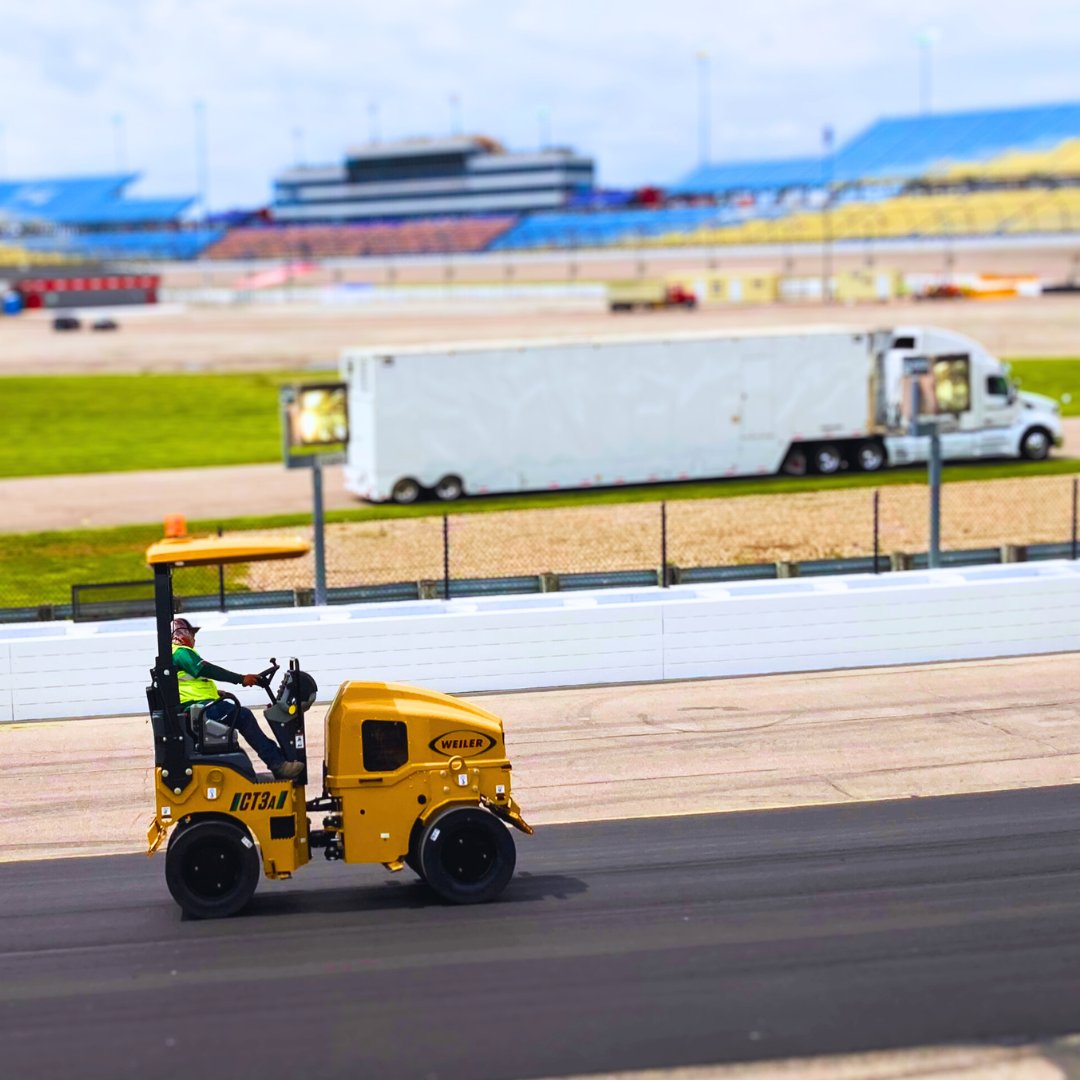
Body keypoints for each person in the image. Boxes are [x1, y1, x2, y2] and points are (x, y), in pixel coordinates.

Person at [170, 617, 303, 780]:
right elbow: (206, 669)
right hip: (201, 712)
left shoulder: (174, 654)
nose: (194, 638)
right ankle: (278, 764)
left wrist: (217, 693)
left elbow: (188, 683)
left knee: (238, 713)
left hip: (199, 708)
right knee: (243, 715)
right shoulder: (181, 652)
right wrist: (241, 679)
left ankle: (272, 762)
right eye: (191, 633)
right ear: (181, 633)